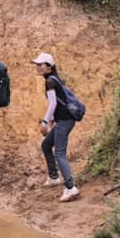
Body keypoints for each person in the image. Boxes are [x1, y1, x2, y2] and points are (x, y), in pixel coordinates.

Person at [32, 52, 80, 202]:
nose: (38, 67)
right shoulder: (54, 79)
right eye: (37, 65)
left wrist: (45, 122)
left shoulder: (50, 82)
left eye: (41, 65)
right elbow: (57, 102)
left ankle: (71, 187)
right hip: (62, 120)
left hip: (64, 121)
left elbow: (53, 104)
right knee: (46, 145)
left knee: (59, 153)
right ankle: (54, 177)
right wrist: (52, 120)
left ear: (49, 66)